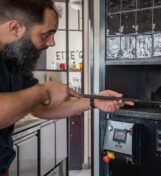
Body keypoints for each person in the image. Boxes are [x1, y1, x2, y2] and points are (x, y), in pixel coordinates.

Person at [0, 0, 134, 175]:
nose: (52, 43)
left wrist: (93, 101)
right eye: (46, 34)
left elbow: (40, 107)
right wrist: (43, 91)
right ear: (15, 28)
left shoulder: (14, 62)